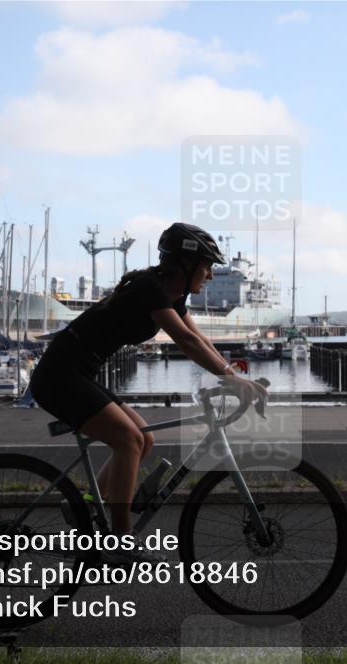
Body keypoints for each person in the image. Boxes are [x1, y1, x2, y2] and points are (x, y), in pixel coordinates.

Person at [29, 223, 266, 560]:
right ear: (185, 265)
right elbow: (184, 342)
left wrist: (236, 377)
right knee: (129, 439)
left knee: (144, 437)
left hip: (78, 372)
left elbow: (199, 340)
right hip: (59, 376)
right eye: (207, 266)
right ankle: (120, 543)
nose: (210, 275)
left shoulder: (172, 296)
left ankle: (85, 505)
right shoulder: (149, 288)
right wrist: (230, 378)